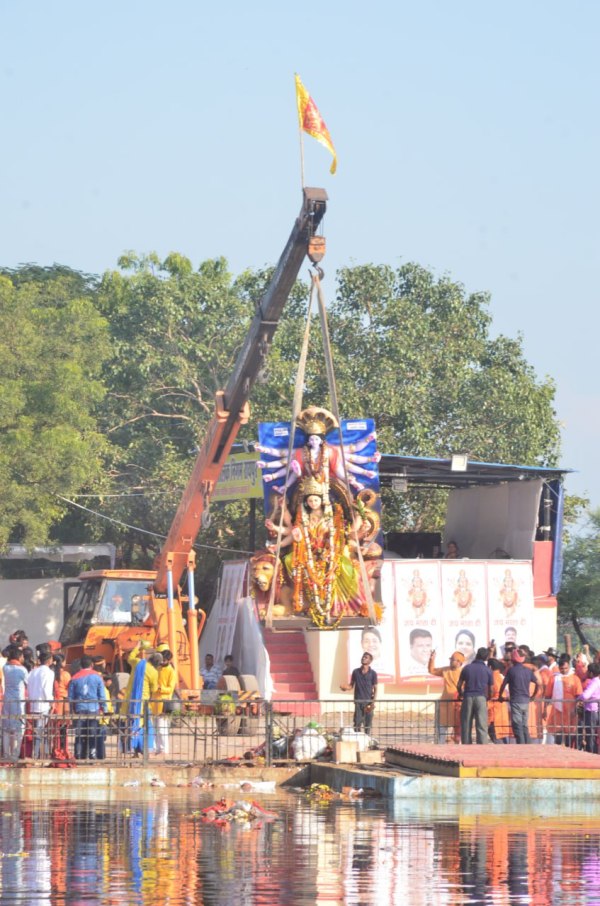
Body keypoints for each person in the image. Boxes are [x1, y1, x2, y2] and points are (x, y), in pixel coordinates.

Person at [285, 476, 363, 626]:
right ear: (306, 502)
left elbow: (341, 536)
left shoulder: (332, 516)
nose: (313, 503)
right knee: (291, 561)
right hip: (307, 554)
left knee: (345, 567)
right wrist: (297, 533)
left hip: (330, 553)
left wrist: (328, 551)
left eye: (316, 500)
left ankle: (335, 607)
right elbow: (296, 530)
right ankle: (308, 604)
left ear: (322, 500)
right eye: (310, 501)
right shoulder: (304, 517)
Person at [68, 655, 107, 760]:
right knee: (93, 733)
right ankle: (92, 754)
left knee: (80, 733)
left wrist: (71, 710)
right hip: (93, 709)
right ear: (92, 665)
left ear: (81, 665)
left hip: (80, 709)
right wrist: (104, 709)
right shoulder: (97, 677)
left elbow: (70, 697)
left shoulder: (74, 677)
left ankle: (79, 754)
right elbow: (101, 695)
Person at [498, 649, 539, 744]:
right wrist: (533, 696)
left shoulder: (511, 671)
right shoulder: (528, 671)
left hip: (516, 701)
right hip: (525, 701)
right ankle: (528, 747)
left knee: (518, 726)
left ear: (513, 658)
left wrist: (500, 696)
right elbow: (538, 683)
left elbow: (503, 684)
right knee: (524, 726)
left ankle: (521, 747)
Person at [544, 654, 583, 747]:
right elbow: (548, 695)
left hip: (571, 712)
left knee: (569, 737)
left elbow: (579, 695)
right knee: (558, 736)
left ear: (569, 666)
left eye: (566, 668)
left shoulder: (575, 678)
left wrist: (577, 709)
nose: (564, 670)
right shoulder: (553, 678)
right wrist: (544, 709)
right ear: (559, 668)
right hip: (557, 711)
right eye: (562, 669)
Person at [457, 647, 493, 745]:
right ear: (486, 658)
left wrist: (460, 694)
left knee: (466, 724)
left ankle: (467, 746)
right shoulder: (487, 670)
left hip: (468, 697)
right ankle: (482, 748)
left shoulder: (467, 668)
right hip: (481, 698)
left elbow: (459, 685)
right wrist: (488, 697)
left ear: (477, 655)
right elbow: (491, 689)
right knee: (481, 724)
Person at [428, 649, 465, 743]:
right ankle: (441, 746)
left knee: (458, 729)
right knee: (442, 726)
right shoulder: (445, 670)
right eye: (450, 659)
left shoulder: (464, 672)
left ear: (459, 662)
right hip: (445, 702)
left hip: (457, 704)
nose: (450, 661)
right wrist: (432, 659)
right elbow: (432, 670)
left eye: (453, 659)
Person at [1, 645, 28, 761]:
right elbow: (27, 683)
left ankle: (6, 755)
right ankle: (14, 755)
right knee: (18, 729)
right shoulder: (22, 670)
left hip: (7, 701)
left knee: (6, 729)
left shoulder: (5, 668)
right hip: (18, 702)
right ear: (19, 657)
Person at [340, 652, 377, 734]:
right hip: (358, 702)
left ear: (370, 661)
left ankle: (367, 741)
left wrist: (373, 702)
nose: (363, 658)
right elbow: (351, 686)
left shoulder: (373, 673)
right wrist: (345, 688)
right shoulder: (355, 672)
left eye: (366, 657)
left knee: (368, 724)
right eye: (363, 657)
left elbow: (375, 688)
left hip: (368, 703)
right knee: (357, 723)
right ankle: (358, 740)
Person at [27, 651, 55, 759]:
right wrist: (51, 702)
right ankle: (37, 753)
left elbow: (29, 687)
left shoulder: (33, 672)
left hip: (33, 703)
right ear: (49, 661)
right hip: (43, 704)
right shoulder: (49, 673)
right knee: (40, 730)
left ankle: (41, 752)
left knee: (38, 730)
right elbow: (46, 689)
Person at [153, 648, 178, 756]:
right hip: (154, 701)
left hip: (164, 702)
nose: (162, 662)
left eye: (164, 660)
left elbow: (170, 689)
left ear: (168, 660)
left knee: (162, 728)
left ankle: (164, 749)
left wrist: (160, 688)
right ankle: (156, 749)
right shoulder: (157, 669)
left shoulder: (171, 672)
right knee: (155, 728)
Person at [578, 662, 600, 754]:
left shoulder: (594, 682)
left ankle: (591, 753)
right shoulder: (597, 681)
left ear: (591, 673)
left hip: (591, 711)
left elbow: (585, 695)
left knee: (590, 734)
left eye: (587, 671)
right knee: (593, 734)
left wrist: (578, 698)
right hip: (595, 710)